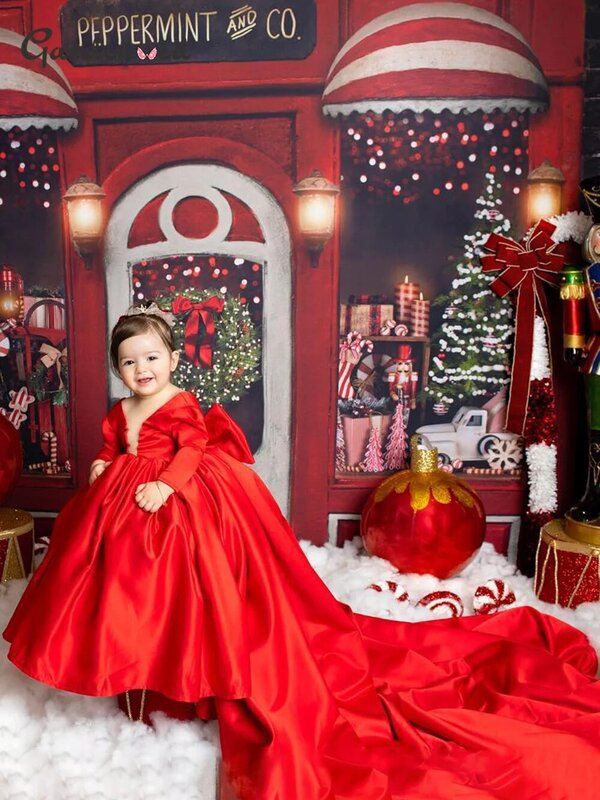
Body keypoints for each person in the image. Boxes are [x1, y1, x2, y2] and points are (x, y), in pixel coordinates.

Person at [4, 305, 600, 800]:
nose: (141, 371)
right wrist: (106, 461)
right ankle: (130, 659)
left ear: (174, 361)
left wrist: (169, 483)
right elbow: (114, 437)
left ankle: (189, 661)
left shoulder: (179, 404)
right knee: (121, 582)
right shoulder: (124, 408)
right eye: (129, 363)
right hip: (124, 500)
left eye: (152, 359)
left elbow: (193, 449)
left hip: (176, 500)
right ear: (118, 368)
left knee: (188, 580)